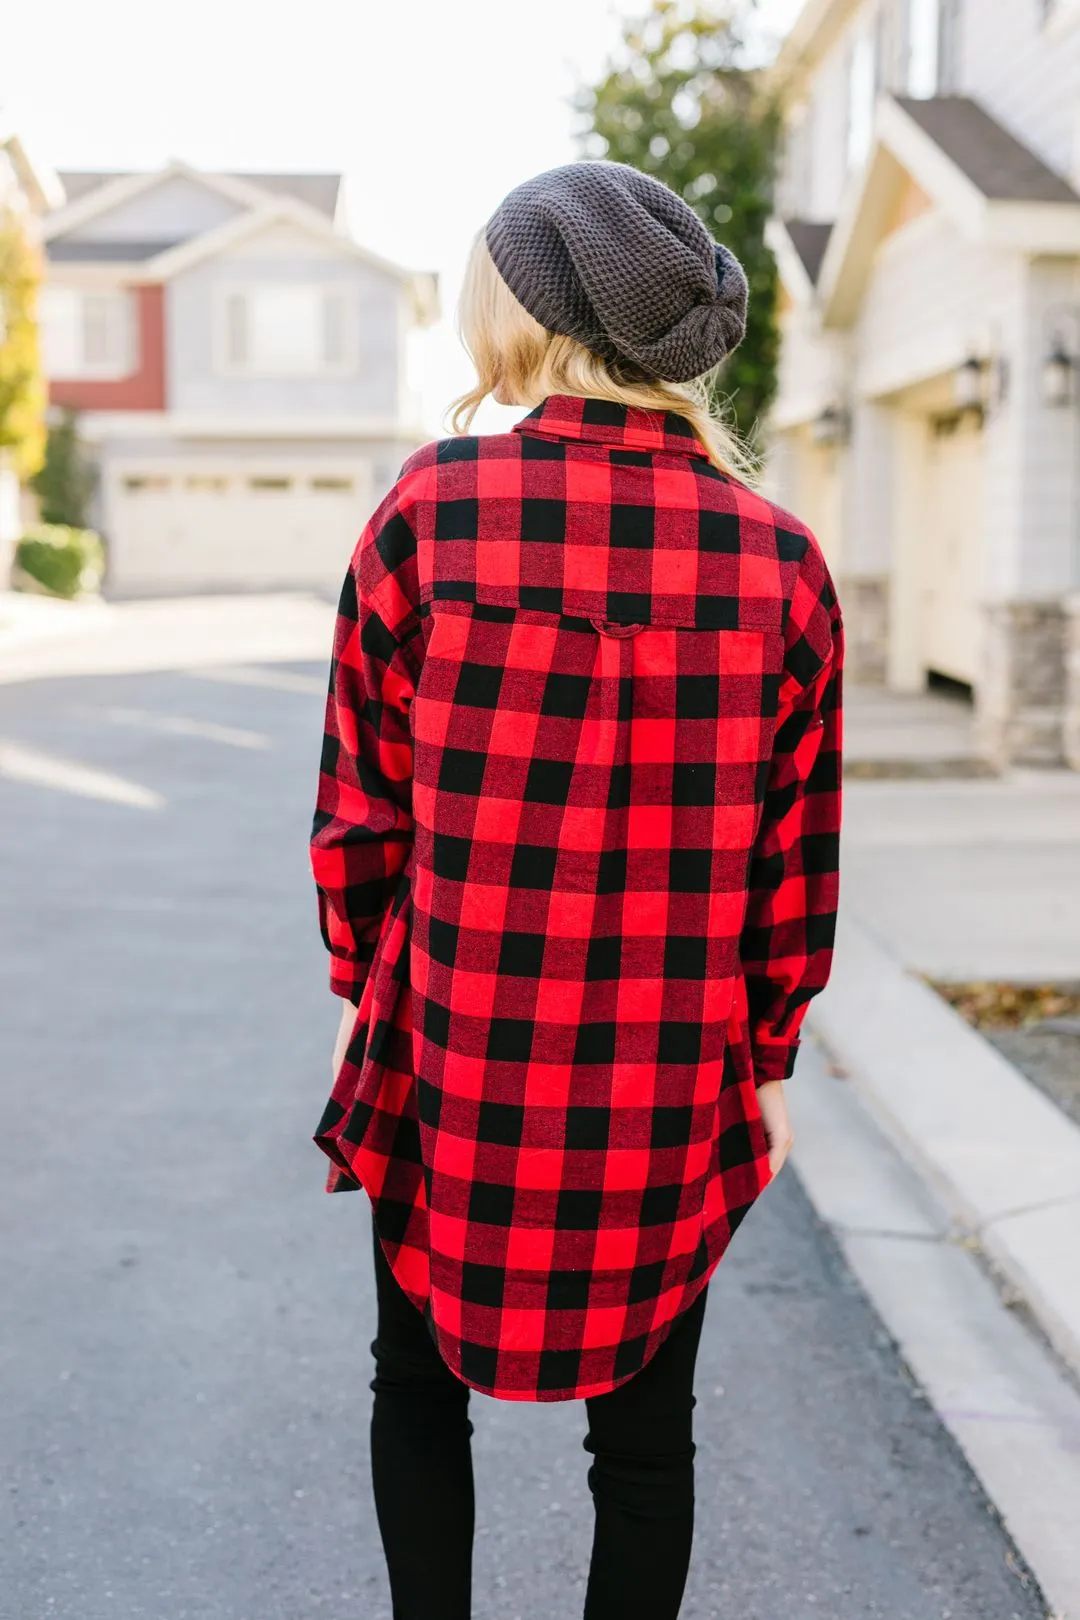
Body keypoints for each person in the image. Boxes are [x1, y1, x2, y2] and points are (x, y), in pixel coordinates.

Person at [309, 160, 843, 1620]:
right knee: (648, 1440)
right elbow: (793, 864)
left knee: (411, 1387)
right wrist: (770, 1053)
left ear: (534, 309)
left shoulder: (432, 509)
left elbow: (362, 806)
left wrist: (364, 987)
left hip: (455, 1034)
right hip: (669, 1065)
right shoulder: (782, 561)